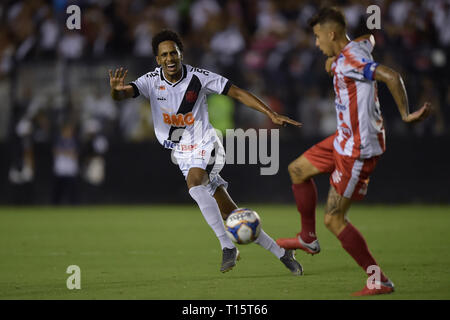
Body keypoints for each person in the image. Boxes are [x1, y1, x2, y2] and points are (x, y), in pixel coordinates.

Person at [108, 29, 303, 275]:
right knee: (232, 214)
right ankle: (282, 253)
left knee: (194, 184)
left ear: (181, 54)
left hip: (207, 144)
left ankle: (227, 247)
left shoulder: (199, 78)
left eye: (174, 53)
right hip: (182, 154)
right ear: (158, 59)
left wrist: (270, 113)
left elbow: (238, 93)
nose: (170, 58)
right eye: (164, 55)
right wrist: (116, 90)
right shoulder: (150, 81)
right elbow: (123, 93)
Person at [276, 7, 431, 296]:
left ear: (331, 34)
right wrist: (335, 57)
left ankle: (379, 279)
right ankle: (307, 238)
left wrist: (406, 114)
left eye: (318, 36)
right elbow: (368, 38)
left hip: (358, 149)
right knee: (297, 170)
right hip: (342, 139)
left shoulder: (352, 60)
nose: (316, 42)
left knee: (334, 219)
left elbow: (391, 75)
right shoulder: (356, 47)